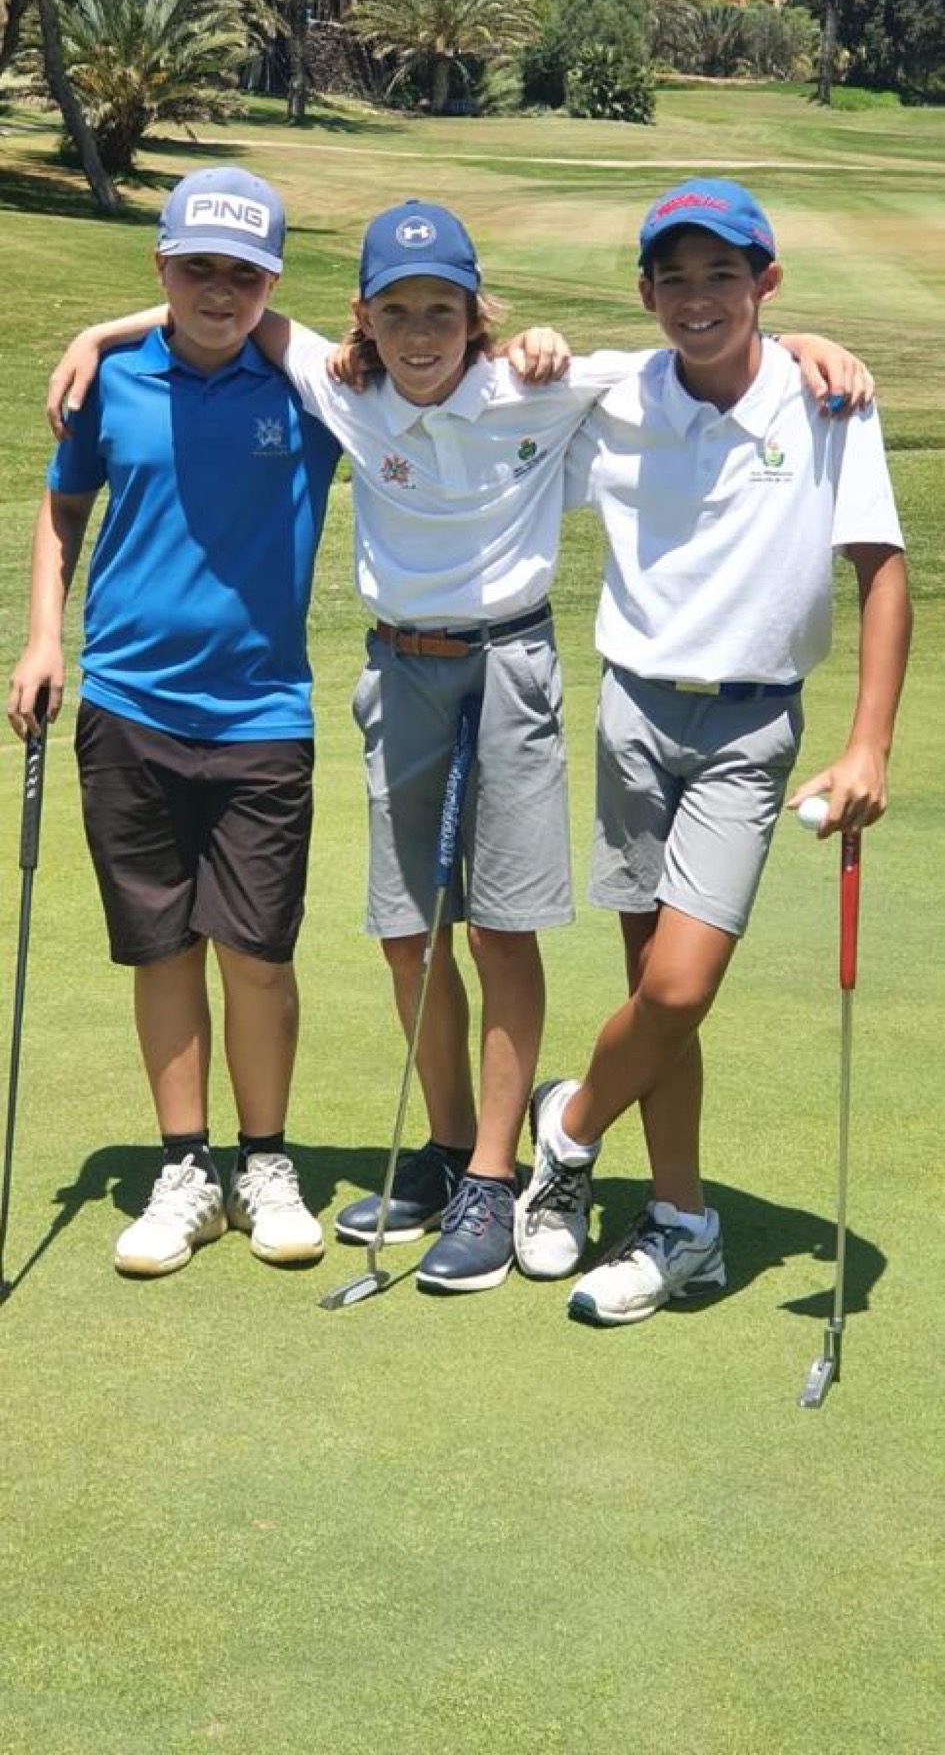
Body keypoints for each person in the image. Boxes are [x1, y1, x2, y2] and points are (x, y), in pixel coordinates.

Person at [40, 194, 871, 1298]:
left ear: (479, 315)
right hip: (399, 671)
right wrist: (102, 331)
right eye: (396, 311)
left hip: (511, 666)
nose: (420, 332)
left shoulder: (543, 383)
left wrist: (803, 341)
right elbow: (227, 310)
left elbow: (699, 351)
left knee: (501, 931)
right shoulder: (340, 385)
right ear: (362, 319)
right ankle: (442, 1150)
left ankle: (493, 1174)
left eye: (443, 309)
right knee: (409, 937)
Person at [512, 178, 912, 1326]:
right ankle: (682, 1220)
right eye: (674, 278)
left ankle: (569, 1126)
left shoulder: (825, 400)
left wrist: (869, 743)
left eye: (722, 275)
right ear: (646, 292)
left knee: (681, 985)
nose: (698, 298)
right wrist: (535, 345)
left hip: (749, 727)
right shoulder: (613, 391)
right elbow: (463, 372)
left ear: (764, 283)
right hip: (633, 712)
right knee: (656, 993)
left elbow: (882, 571)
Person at [7, 167, 341, 1278]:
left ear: (273, 284)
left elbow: (414, 351)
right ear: (162, 266)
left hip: (262, 714)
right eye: (197, 268)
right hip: (128, 707)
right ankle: (186, 1166)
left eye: (244, 274)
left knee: (257, 951)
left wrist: (106, 319)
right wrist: (43, 639)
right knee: (163, 948)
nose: (219, 291)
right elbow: (64, 508)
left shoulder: (308, 389)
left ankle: (266, 1162)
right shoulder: (111, 384)